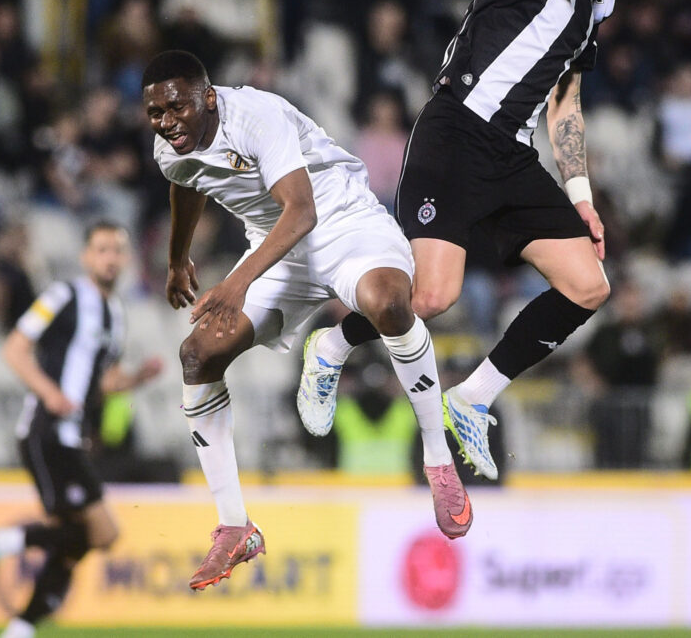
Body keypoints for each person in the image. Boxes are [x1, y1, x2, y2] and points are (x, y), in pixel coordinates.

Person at [299, 0, 691, 479]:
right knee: (431, 297)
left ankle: (472, 399)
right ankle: (332, 344)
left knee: (588, 285)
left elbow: (566, 104)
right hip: (455, 131)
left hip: (511, 153)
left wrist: (581, 196)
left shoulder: (596, 1)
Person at [143, 50, 469, 592]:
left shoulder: (255, 116)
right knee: (197, 355)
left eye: (175, 107)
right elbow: (186, 181)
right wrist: (178, 258)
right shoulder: (169, 146)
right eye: (155, 112)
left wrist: (238, 281)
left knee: (389, 304)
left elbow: (302, 211)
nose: (165, 122)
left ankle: (437, 461)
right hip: (277, 252)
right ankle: (234, 526)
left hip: (342, 221)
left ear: (208, 97)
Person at [0, 222, 163, 638]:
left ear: (126, 258)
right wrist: (49, 393)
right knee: (99, 532)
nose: (110, 257)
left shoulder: (116, 315)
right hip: (46, 431)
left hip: (72, 437)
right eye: (102, 249)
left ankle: (20, 627)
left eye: (117, 250)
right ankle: (1, 543)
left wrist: (136, 379)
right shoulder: (63, 295)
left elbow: (103, 383)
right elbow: (15, 348)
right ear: (86, 256)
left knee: (74, 544)